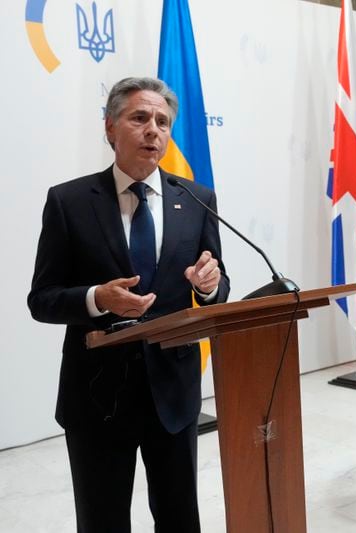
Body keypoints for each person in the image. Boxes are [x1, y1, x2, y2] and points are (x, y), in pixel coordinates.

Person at [28, 77, 230, 532]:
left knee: (180, 517)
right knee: (102, 520)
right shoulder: (69, 201)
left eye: (162, 121)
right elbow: (41, 299)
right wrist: (96, 298)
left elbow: (218, 284)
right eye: (139, 118)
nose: (153, 130)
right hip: (97, 395)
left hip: (173, 395)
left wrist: (210, 284)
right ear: (110, 128)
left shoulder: (198, 200)